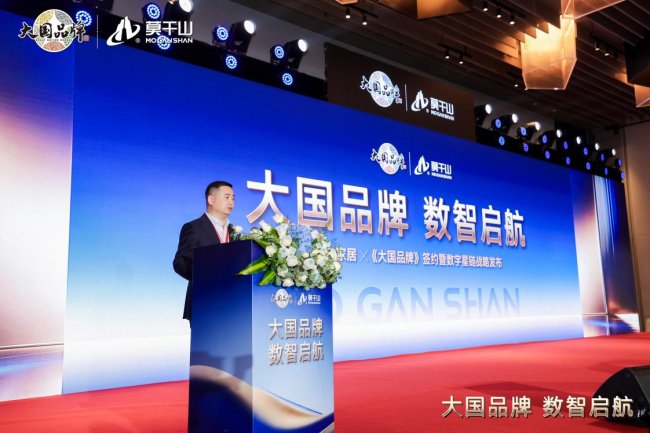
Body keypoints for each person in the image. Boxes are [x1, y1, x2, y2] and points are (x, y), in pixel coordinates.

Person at [173, 180, 235, 321]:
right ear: (211, 199)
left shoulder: (235, 231)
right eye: (226, 197)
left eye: (233, 198)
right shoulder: (193, 227)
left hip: (233, 304)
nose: (231, 202)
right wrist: (205, 277)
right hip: (203, 302)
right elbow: (180, 262)